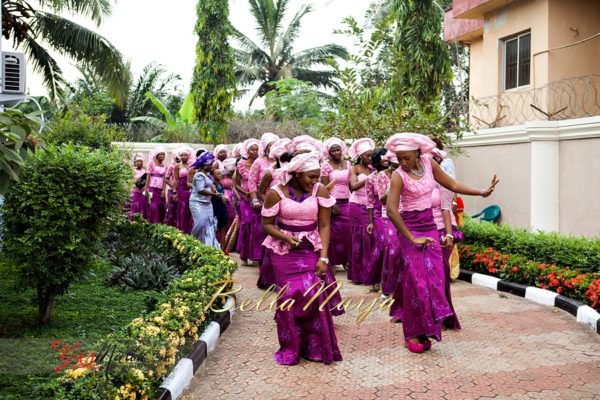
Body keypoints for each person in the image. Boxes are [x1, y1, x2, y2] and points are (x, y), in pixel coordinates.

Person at [385, 132, 499, 353]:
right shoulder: (398, 176)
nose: (402, 162)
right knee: (417, 284)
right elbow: (391, 209)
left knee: (435, 283)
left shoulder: (428, 164)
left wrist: (482, 192)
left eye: (406, 157)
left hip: (429, 228)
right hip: (410, 230)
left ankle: (427, 329)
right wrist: (411, 237)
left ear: (418, 154)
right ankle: (412, 332)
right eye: (399, 158)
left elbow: (453, 184)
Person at [261, 151, 342, 365]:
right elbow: (266, 224)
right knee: (288, 298)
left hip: (310, 250)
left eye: (317, 176)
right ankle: (291, 346)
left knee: (313, 294)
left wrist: (324, 257)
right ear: (296, 174)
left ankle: (315, 346)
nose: (315, 181)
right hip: (283, 253)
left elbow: (324, 225)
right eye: (311, 177)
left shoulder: (320, 190)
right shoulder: (275, 192)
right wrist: (285, 237)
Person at [430, 147, 462, 331]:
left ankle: (442, 316)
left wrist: (448, 234)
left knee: (439, 274)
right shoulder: (417, 182)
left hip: (443, 230)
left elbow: (445, 209)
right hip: (423, 232)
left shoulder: (444, 183)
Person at [320, 138, 352, 270]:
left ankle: (346, 259)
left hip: (347, 201)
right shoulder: (325, 166)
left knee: (347, 231)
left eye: (338, 149)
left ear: (342, 150)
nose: (336, 152)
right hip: (332, 202)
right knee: (333, 232)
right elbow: (324, 187)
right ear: (329, 152)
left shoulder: (349, 164)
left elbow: (351, 184)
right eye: (333, 150)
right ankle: (331, 261)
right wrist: (330, 204)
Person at [347, 138, 376, 284]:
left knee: (371, 238)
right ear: (360, 156)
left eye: (371, 155)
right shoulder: (355, 169)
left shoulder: (374, 168)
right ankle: (358, 274)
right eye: (367, 155)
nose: (370, 158)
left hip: (371, 205)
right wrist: (368, 179)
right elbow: (352, 186)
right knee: (360, 238)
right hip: (357, 205)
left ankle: (370, 272)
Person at [377, 152, 402, 298]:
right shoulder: (382, 176)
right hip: (388, 216)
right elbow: (382, 200)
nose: (396, 171)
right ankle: (387, 287)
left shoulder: (408, 175)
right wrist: (392, 186)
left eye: (398, 168)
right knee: (393, 251)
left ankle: (401, 288)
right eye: (393, 168)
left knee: (404, 253)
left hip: (405, 216)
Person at [365, 148, 389, 291]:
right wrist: (371, 222)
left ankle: (389, 279)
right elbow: (369, 202)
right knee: (381, 246)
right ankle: (376, 278)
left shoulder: (395, 175)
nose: (386, 160)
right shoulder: (371, 178)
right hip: (378, 214)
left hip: (395, 212)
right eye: (383, 157)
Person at [235, 138, 262, 265]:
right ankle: (244, 255)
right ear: (247, 151)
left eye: (257, 149)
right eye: (252, 149)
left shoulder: (261, 164)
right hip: (245, 200)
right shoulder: (241, 165)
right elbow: (236, 184)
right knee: (246, 224)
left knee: (256, 226)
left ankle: (255, 255)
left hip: (258, 198)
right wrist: (245, 192)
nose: (255, 152)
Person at [189, 152, 223, 248]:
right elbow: (200, 190)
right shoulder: (199, 175)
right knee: (200, 223)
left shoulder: (208, 176)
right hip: (197, 202)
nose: (212, 166)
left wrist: (215, 190)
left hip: (207, 203)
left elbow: (212, 186)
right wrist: (214, 194)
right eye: (210, 164)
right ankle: (192, 241)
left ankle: (209, 245)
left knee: (209, 225)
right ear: (205, 165)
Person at [172, 147, 195, 234]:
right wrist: (174, 192)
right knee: (182, 209)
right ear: (179, 156)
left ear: (188, 156)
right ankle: (182, 230)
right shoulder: (177, 166)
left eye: (185, 155)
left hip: (191, 189)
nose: (183, 157)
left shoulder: (192, 166)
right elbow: (175, 180)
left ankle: (191, 231)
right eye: (182, 155)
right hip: (181, 190)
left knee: (190, 209)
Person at [144, 148, 167, 224]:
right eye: (160, 154)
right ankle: (153, 223)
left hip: (161, 189)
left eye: (163, 154)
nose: (162, 156)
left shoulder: (165, 166)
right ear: (156, 155)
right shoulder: (151, 164)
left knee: (162, 206)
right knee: (154, 206)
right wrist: (146, 189)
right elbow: (148, 177)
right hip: (152, 188)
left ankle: (160, 223)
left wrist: (164, 190)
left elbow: (164, 179)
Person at [220, 157, 237, 252]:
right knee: (228, 216)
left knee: (233, 217)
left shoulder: (236, 175)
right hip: (225, 196)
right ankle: (225, 240)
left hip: (234, 196)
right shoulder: (222, 175)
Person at [212, 167, 230, 247]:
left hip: (222, 207)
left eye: (220, 173)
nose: (220, 175)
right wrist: (222, 197)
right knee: (215, 227)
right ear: (212, 175)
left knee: (223, 227)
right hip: (215, 207)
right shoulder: (212, 185)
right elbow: (215, 194)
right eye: (218, 174)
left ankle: (223, 247)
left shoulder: (220, 184)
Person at [129, 154, 147, 220]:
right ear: (135, 163)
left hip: (142, 192)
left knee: (142, 205)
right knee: (135, 205)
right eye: (138, 161)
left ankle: (141, 220)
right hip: (134, 192)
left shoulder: (145, 171)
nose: (139, 163)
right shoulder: (132, 171)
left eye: (141, 161)